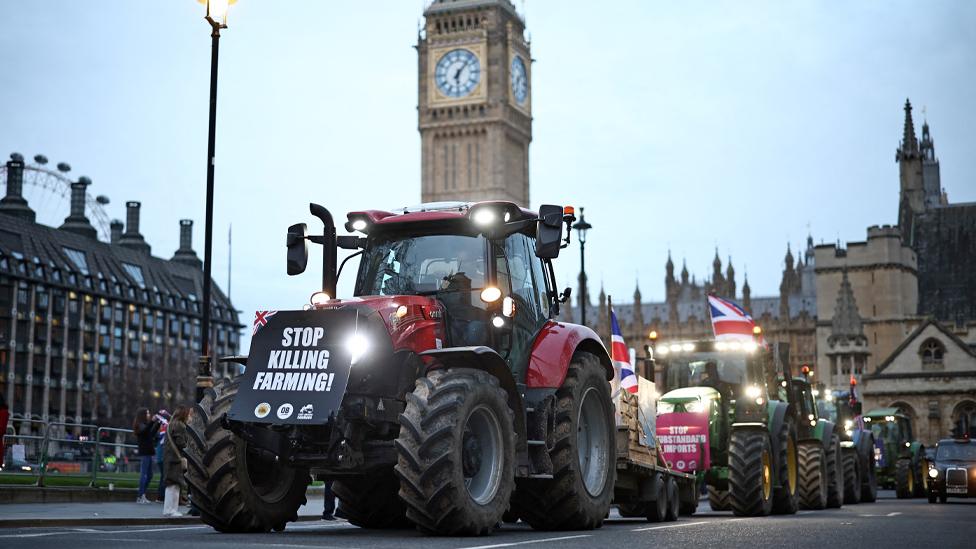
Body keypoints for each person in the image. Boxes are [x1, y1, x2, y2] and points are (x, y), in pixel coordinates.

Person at [163, 405, 191, 517]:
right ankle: (172, 510)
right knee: (175, 485)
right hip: (175, 458)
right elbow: (181, 443)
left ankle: (168, 509)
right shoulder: (180, 426)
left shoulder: (171, 424)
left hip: (169, 457)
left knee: (170, 485)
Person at [132, 407, 161, 504]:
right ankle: (140, 496)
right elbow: (145, 431)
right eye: (147, 413)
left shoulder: (144, 425)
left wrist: (158, 423)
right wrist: (152, 422)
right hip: (145, 452)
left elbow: (151, 434)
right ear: (143, 415)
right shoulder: (140, 425)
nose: (149, 415)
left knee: (149, 475)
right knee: (144, 475)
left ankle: (142, 494)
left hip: (148, 452)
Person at [155, 410, 171, 503]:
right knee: (164, 476)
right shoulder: (165, 427)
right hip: (162, 456)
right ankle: (161, 496)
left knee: (163, 476)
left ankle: (160, 496)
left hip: (160, 456)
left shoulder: (162, 427)